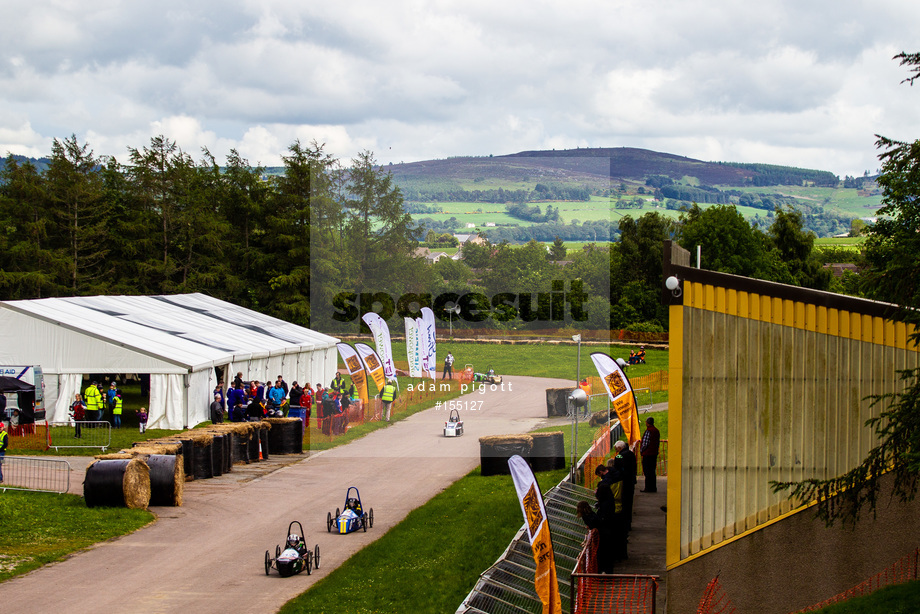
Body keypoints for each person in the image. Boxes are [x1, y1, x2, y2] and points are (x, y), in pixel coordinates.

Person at [614, 440, 638, 530]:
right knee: (629, 503)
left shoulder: (619, 456)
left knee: (623, 503)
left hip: (623, 483)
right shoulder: (631, 454)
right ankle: (629, 523)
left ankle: (624, 525)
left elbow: (617, 469)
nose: (616, 451)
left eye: (616, 449)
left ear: (620, 448)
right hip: (631, 481)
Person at [640, 417, 661, 493]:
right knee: (652, 471)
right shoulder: (656, 431)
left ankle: (648, 488)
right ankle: (653, 487)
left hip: (647, 454)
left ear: (647, 423)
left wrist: (641, 451)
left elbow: (645, 443)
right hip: (654, 453)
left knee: (647, 471)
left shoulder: (648, 431)